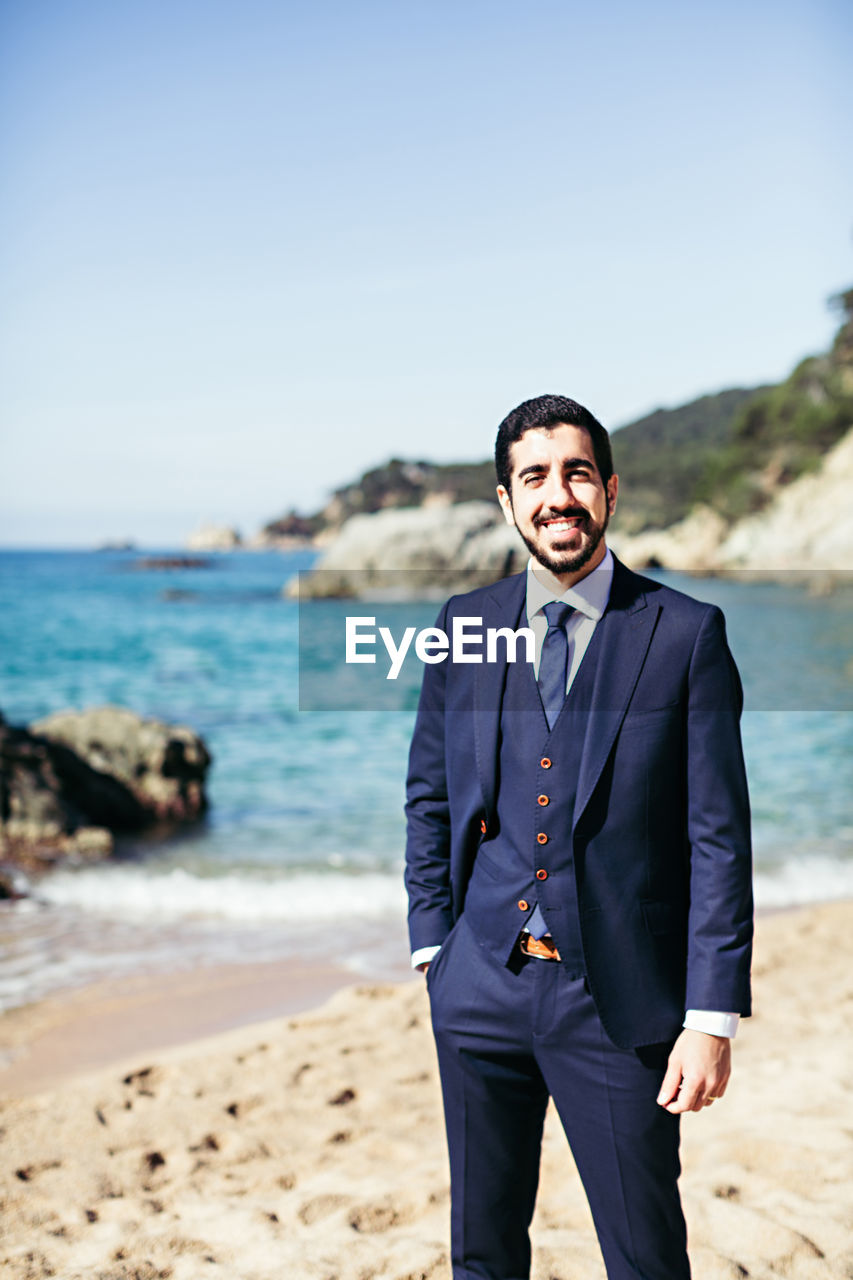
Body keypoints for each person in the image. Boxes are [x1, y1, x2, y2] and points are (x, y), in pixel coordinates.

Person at [404, 394, 753, 1279]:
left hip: (618, 1001)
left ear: (608, 489)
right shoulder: (465, 623)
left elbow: (716, 837)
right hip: (477, 984)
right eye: (534, 478)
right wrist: (430, 947)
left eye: (576, 473)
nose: (556, 495)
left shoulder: (684, 634)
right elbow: (430, 794)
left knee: (642, 1255)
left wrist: (710, 1017)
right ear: (506, 500)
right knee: (481, 1252)